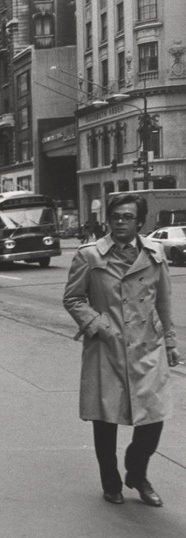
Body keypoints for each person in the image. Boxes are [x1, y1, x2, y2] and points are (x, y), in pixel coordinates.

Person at [63, 194, 180, 506]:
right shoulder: (89, 255)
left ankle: (136, 472)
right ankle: (110, 481)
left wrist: (169, 343)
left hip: (148, 347)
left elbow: (163, 302)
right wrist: (98, 326)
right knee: (105, 419)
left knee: (154, 418)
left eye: (128, 217)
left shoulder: (154, 253)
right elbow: (73, 298)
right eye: (115, 216)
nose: (120, 222)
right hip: (107, 346)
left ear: (140, 222)